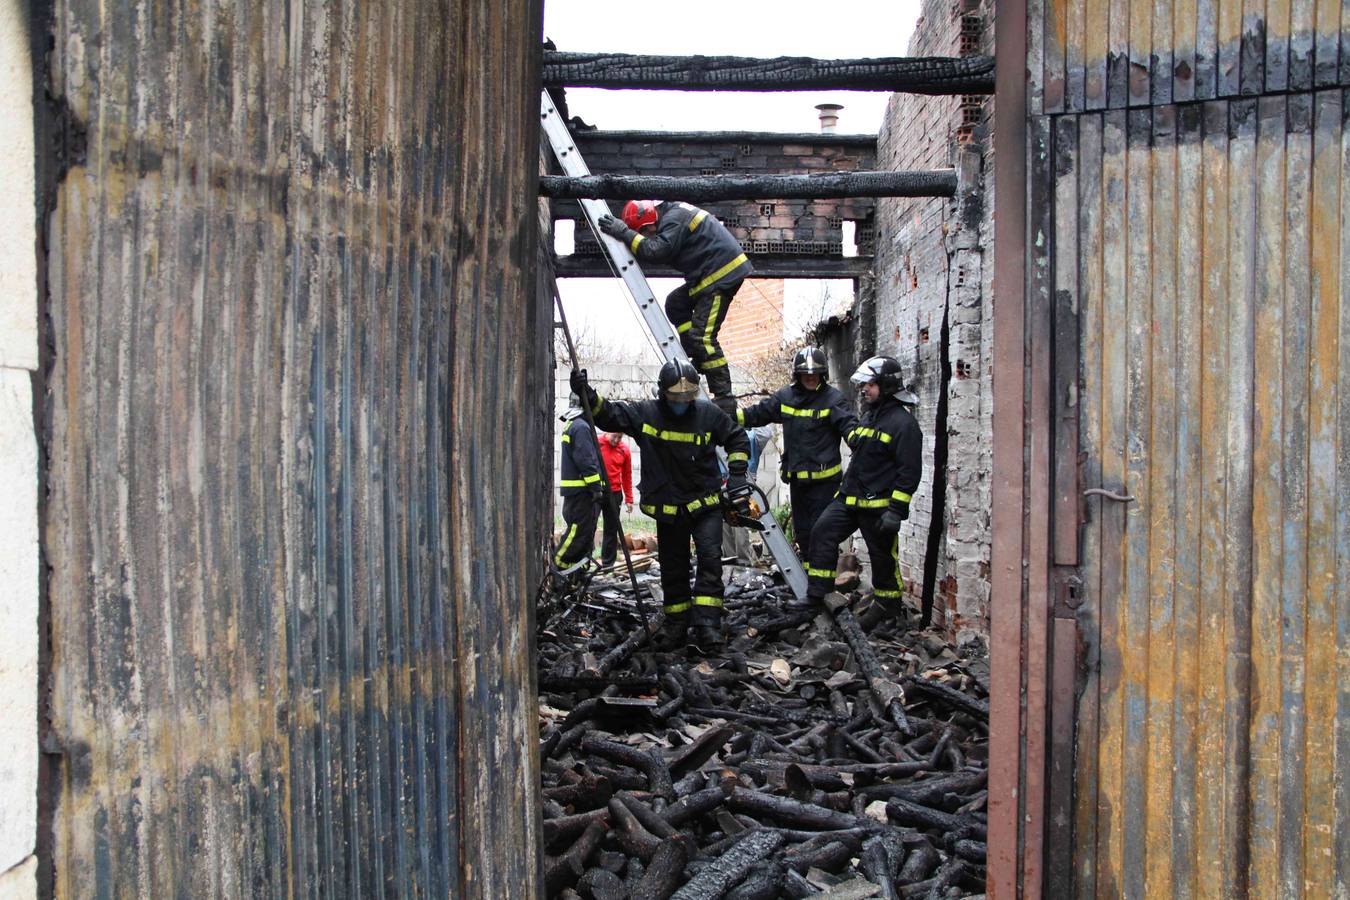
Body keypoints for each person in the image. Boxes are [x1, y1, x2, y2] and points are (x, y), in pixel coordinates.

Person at [571, 360, 752, 650]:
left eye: (687, 397)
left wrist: (738, 475)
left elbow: (737, 438)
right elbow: (611, 415)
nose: (682, 402)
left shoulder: (708, 414)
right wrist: (588, 396)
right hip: (670, 510)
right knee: (673, 568)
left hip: (705, 505)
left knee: (710, 561)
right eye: (675, 397)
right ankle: (677, 626)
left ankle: (707, 627)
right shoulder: (646, 413)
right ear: (662, 393)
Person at [598, 200, 752, 414]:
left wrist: (624, 233)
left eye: (644, 231)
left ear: (650, 219)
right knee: (676, 304)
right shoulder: (672, 216)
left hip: (720, 276)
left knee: (703, 337)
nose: (647, 236)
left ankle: (724, 397)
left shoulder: (674, 219)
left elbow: (656, 251)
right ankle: (696, 357)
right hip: (705, 276)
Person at [799, 356, 922, 615]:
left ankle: (888, 610)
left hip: (878, 507)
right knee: (821, 533)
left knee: (882, 558)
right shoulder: (870, 416)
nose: (864, 389)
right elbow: (859, 448)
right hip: (849, 500)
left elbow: (909, 472)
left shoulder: (904, 424)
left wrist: (896, 511)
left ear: (886, 386)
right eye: (863, 384)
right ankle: (817, 596)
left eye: (870, 384)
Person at [736, 347, 857, 554]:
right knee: (803, 534)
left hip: (825, 484)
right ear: (797, 375)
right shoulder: (786, 397)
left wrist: (862, 443)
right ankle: (808, 573)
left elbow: (849, 427)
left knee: (822, 534)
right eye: (805, 374)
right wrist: (727, 415)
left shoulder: (834, 400)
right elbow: (758, 414)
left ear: (823, 374)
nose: (810, 377)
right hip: (798, 484)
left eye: (815, 374)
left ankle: (822, 575)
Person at [554, 393, 605, 575]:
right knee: (578, 534)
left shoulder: (573, 425)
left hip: (579, 492)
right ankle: (557, 567)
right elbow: (586, 460)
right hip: (582, 493)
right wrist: (596, 488)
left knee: (584, 536)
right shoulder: (581, 427)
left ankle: (576, 575)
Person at [597, 431, 634, 568]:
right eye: (614, 436)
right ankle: (585, 563)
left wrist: (629, 498)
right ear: (607, 432)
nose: (617, 440)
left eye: (620, 437)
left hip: (615, 493)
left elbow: (627, 475)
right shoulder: (597, 443)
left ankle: (608, 565)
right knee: (589, 526)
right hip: (596, 491)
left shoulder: (624, 450)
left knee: (611, 529)